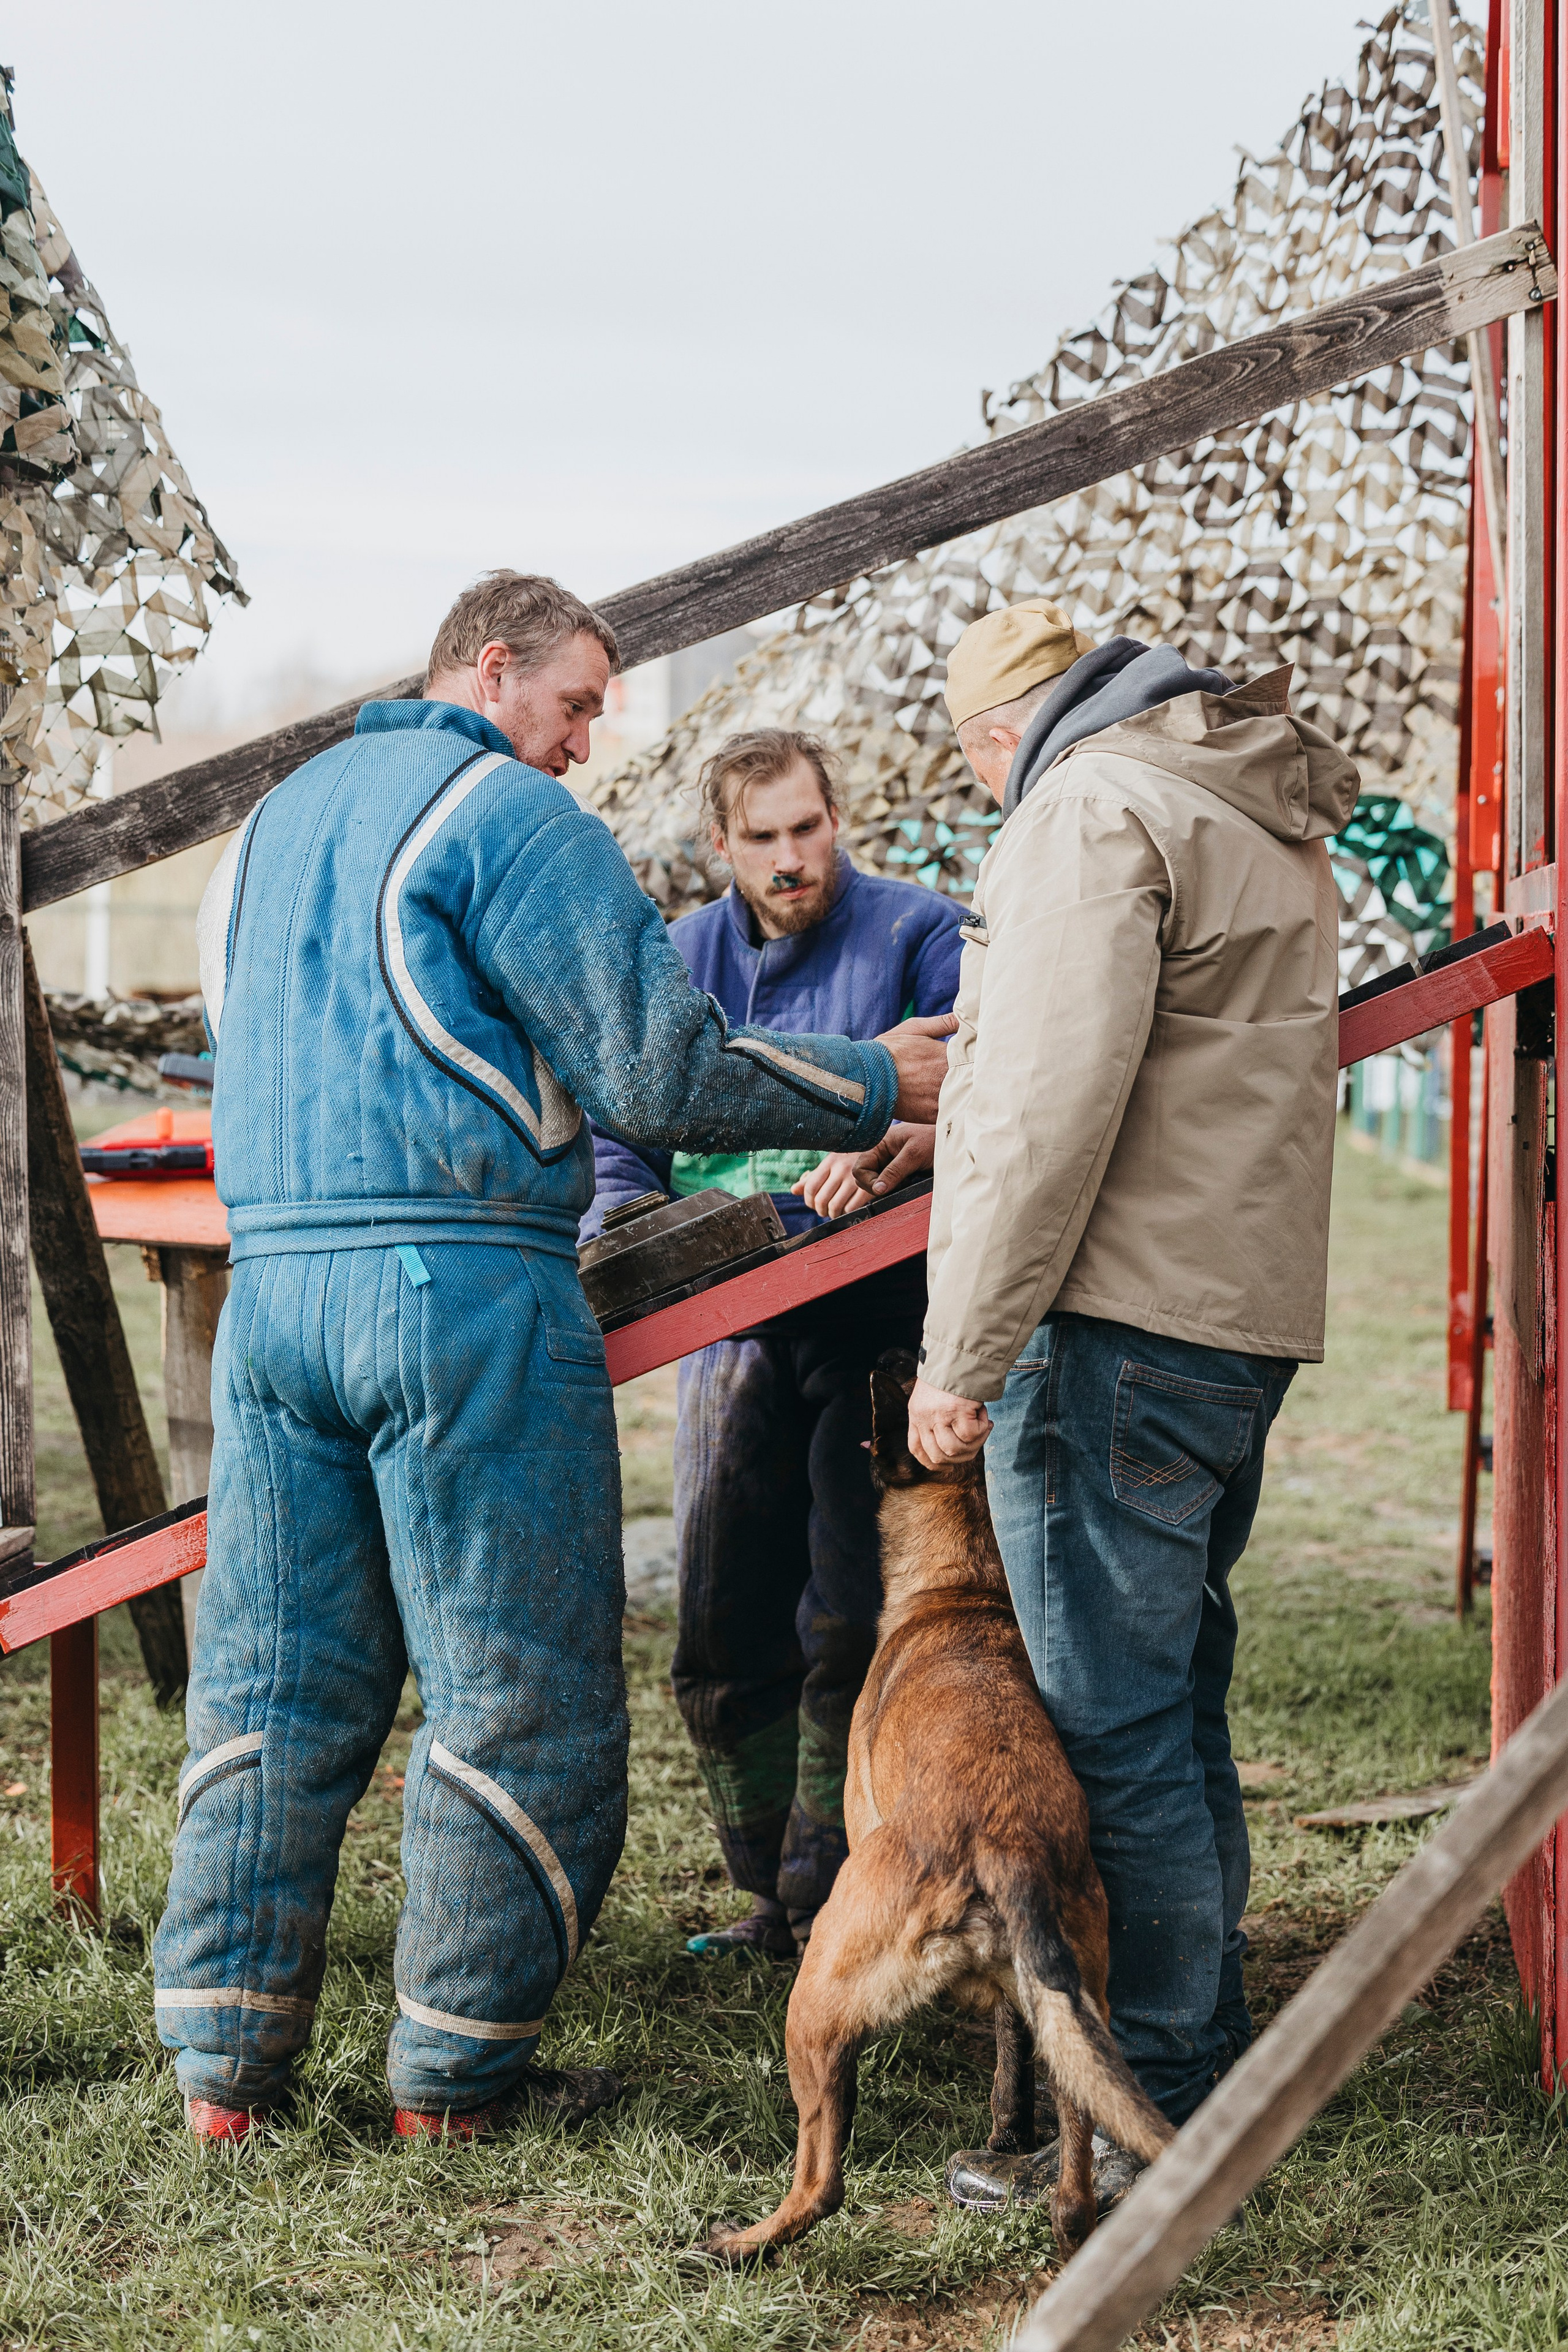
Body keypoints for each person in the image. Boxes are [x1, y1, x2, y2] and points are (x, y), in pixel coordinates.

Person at [153, 572, 953, 2146]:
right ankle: (454, 2078)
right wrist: (876, 1078)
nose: (586, 744)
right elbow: (653, 1067)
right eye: (578, 704)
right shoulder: (510, 819)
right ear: (493, 666)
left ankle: (223, 2073)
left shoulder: (270, 824)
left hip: (272, 1297)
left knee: (271, 1679)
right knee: (514, 1685)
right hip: (456, 1290)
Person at [884, 597, 1357, 2209]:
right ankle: (1213, 2057)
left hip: (1112, 1327)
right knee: (1178, 1701)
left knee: (1113, 1727)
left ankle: (1160, 2116)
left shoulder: (1088, 810)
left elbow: (1038, 1105)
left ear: (1001, 736)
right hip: (1232, 1322)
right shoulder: (1244, 804)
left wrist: (960, 1356)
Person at [588, 728, 962, 1957]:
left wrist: (900, 1141)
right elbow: (619, 1142)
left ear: (835, 817)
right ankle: (764, 1891)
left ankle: (834, 1889)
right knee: (721, 1620)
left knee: (853, 1615)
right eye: (764, 839)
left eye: (809, 828)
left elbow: (984, 1076)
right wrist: (626, 1230)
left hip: (878, 1319)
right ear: (720, 848)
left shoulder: (916, 933)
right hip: (729, 1323)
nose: (793, 857)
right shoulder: (679, 959)